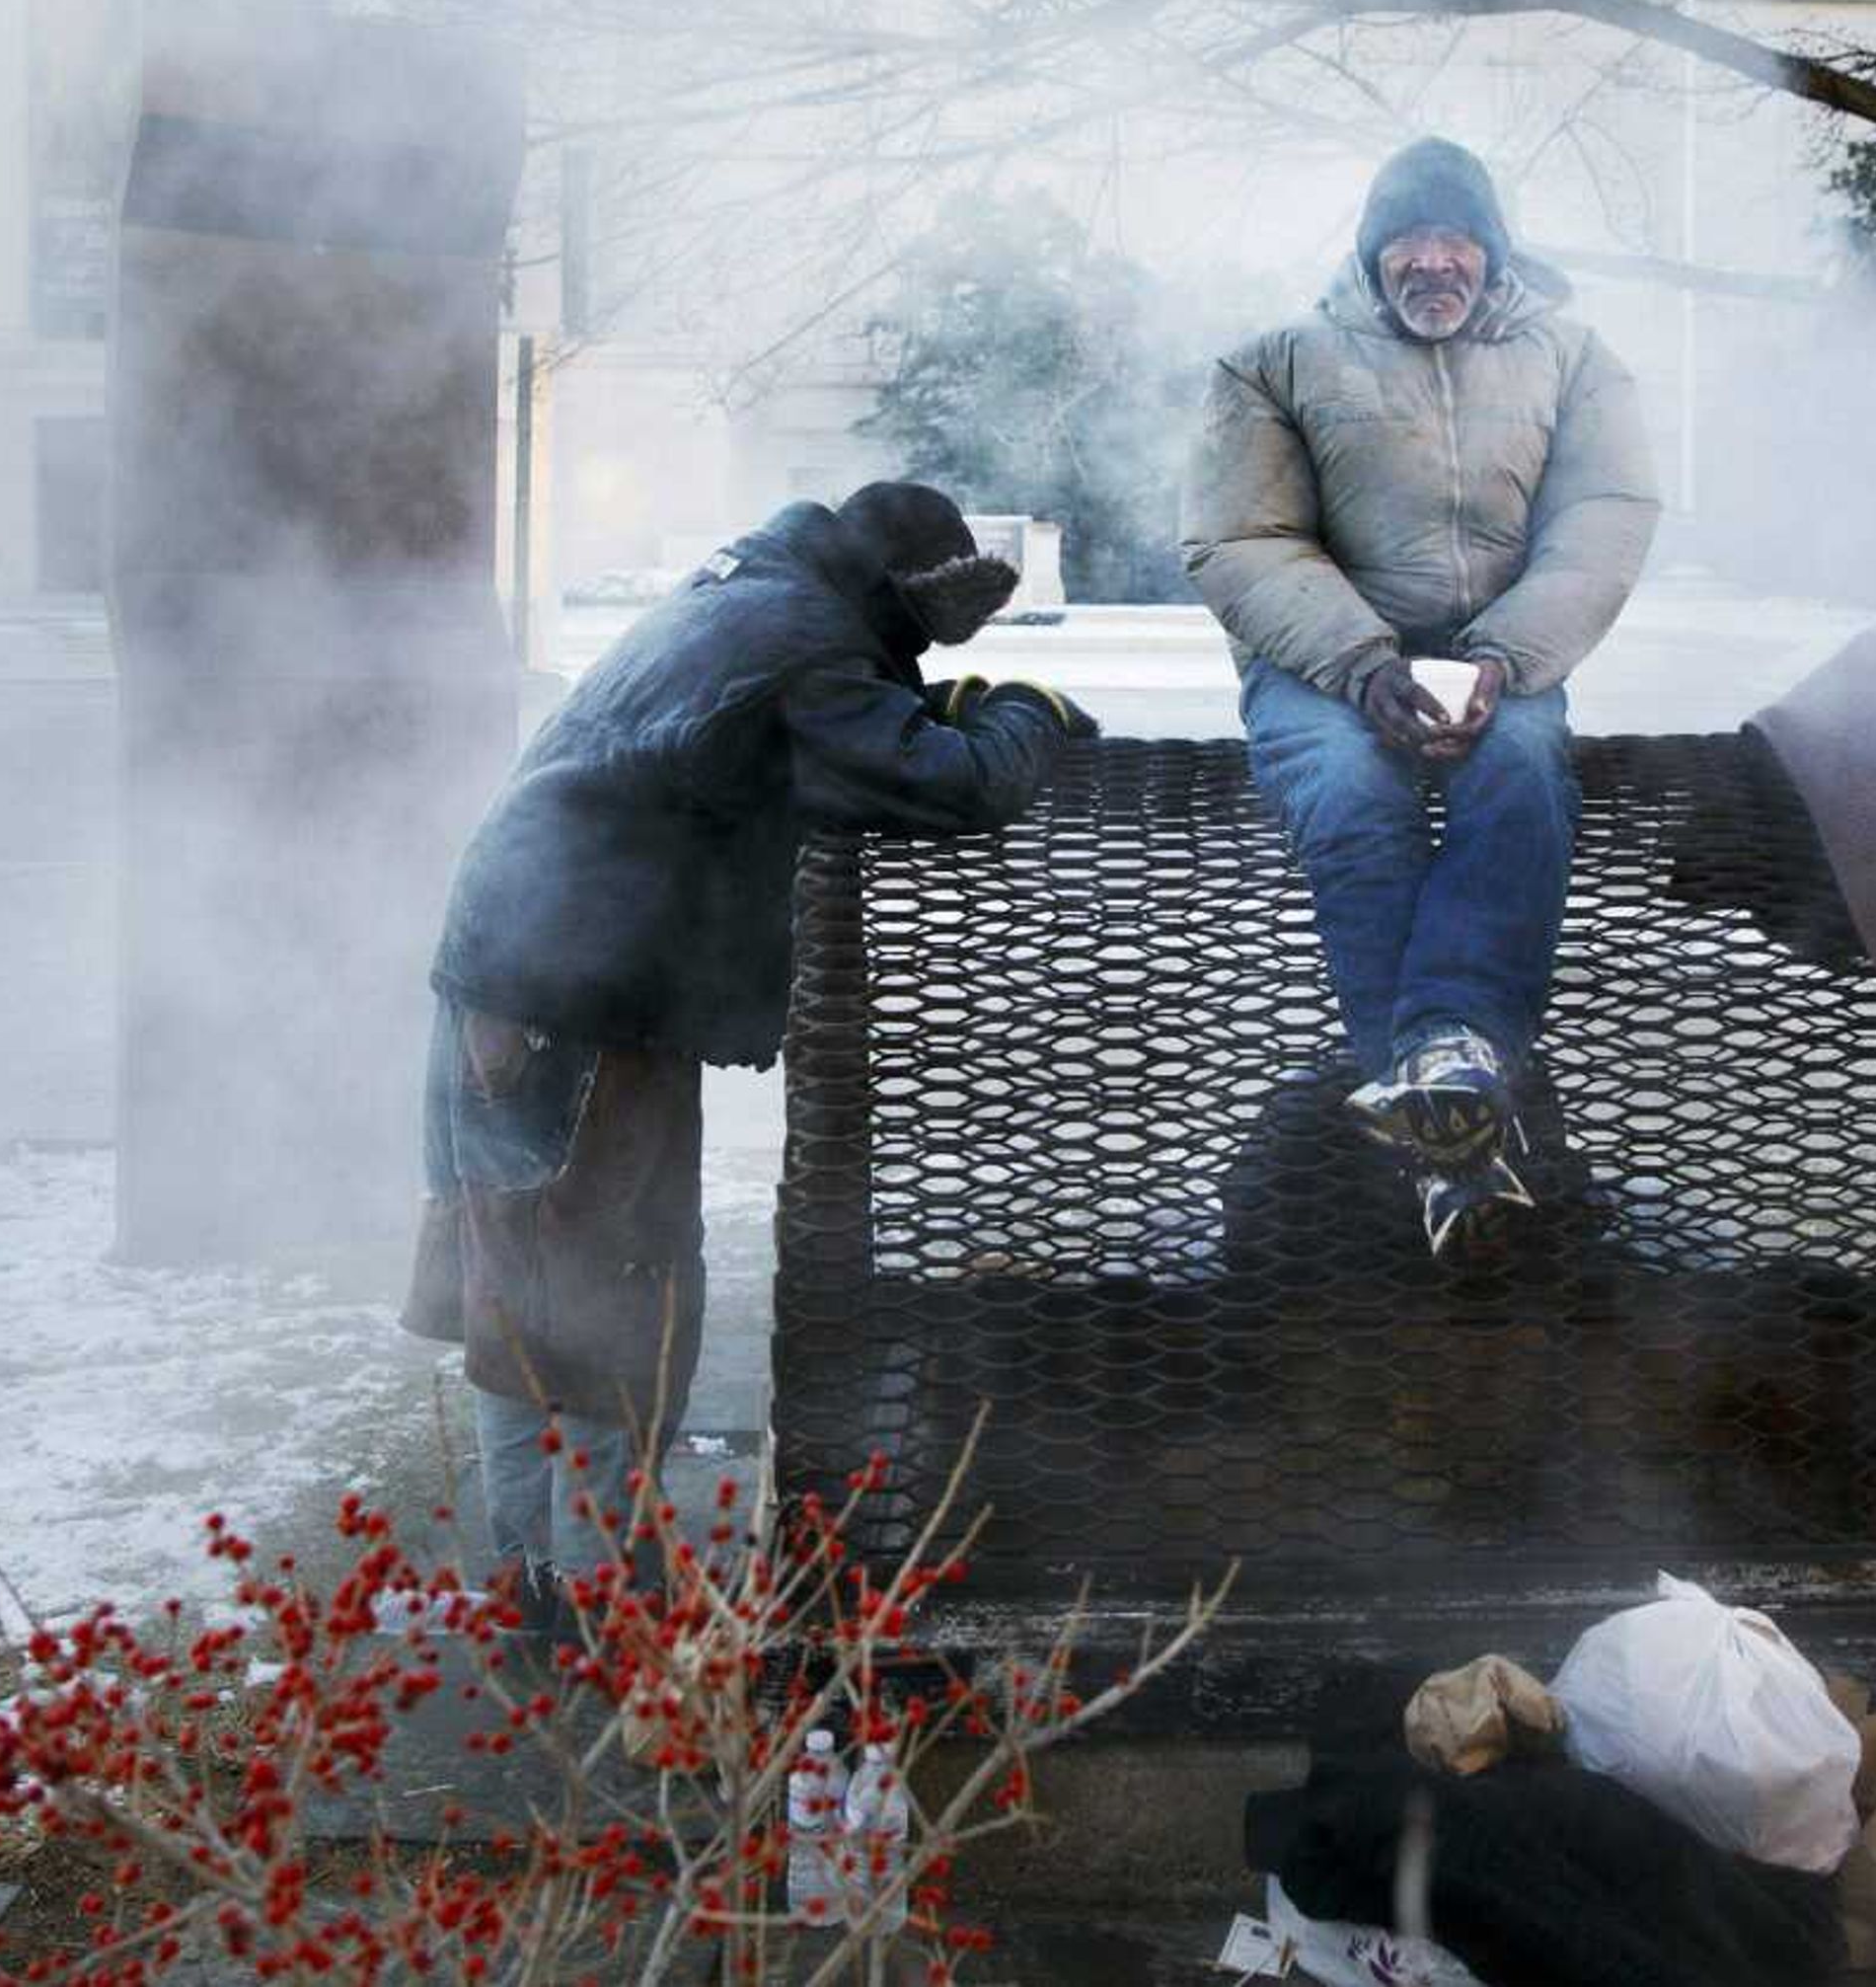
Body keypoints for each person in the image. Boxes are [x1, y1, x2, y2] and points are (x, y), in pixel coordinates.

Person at [404, 480, 1089, 1618]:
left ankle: (536, 1577)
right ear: (894, 600)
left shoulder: (740, 588)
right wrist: (1026, 710)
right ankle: (600, 1599)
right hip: (583, 994)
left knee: (521, 1286)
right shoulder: (805, 642)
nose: (907, 662)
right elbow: (949, 779)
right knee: (611, 1298)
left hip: (503, 966)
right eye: (914, 639)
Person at [1183, 137, 1660, 1249]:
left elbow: (1605, 522)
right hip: (1322, 656)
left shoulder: (1576, 358)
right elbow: (1239, 536)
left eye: (1457, 241)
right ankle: (1445, 1110)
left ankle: (1448, 1055)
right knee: (1352, 790)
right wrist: (1363, 662)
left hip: (1502, 652)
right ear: (1373, 252)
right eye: (1410, 240)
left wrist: (1505, 657)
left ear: (1493, 256)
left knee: (1526, 773)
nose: (1434, 262)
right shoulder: (1274, 362)